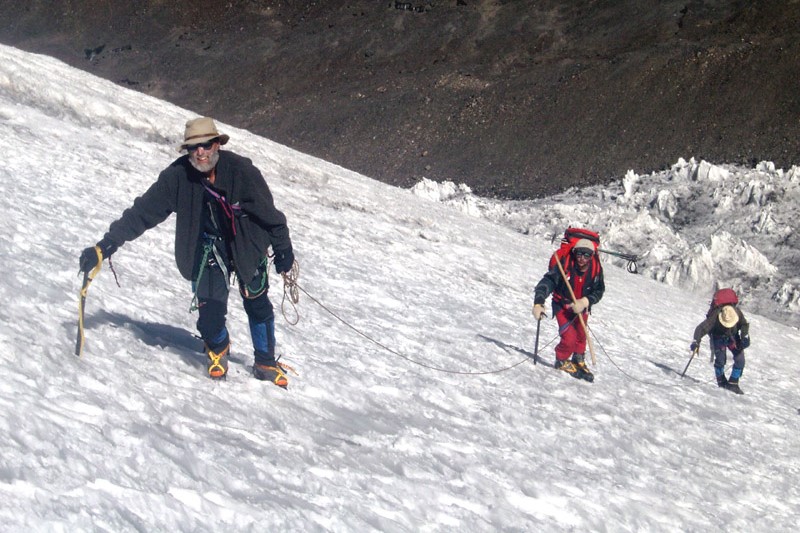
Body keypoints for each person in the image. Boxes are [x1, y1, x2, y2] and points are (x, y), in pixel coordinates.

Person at [79, 117, 295, 387]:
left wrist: (283, 247)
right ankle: (217, 348)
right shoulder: (178, 177)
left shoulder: (242, 171)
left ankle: (265, 362)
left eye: (205, 145)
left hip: (247, 244)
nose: (200, 152)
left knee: (256, 300)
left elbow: (269, 213)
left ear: (217, 144)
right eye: (194, 147)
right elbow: (143, 212)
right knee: (209, 316)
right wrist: (106, 245)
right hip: (207, 248)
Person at [532, 238, 605, 381]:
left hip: (581, 308)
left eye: (586, 255)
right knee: (569, 338)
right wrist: (538, 302)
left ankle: (578, 358)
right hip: (562, 306)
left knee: (581, 335)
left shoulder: (595, 269)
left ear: (592, 256)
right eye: (579, 254)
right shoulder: (564, 264)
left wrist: (585, 301)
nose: (581, 259)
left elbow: (599, 290)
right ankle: (561, 360)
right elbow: (548, 281)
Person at [690, 303, 750, 394]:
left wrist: (744, 336)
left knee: (740, 359)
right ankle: (721, 382)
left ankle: (733, 383)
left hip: (733, 336)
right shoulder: (715, 317)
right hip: (718, 337)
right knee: (720, 361)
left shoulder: (737, 312)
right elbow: (701, 328)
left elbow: (744, 324)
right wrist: (696, 341)